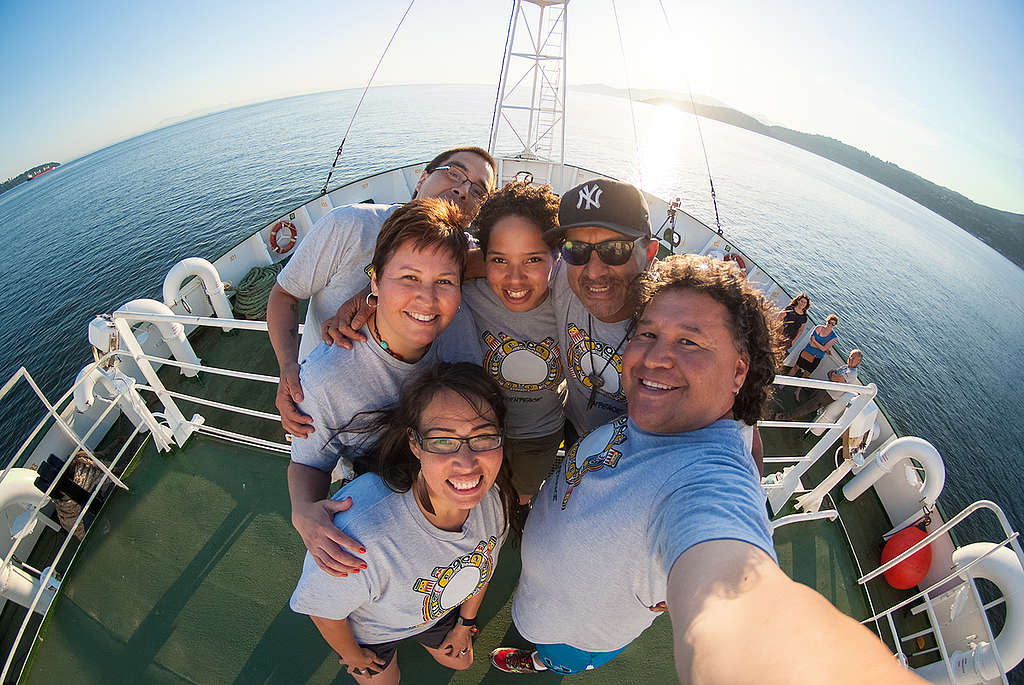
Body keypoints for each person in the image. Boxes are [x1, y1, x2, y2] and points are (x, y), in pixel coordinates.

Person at [490, 255, 923, 685]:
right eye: (648, 333)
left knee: (559, 661)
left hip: (574, 635)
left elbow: (730, 575)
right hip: (543, 595)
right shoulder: (703, 416)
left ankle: (541, 664)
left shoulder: (708, 480)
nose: (655, 358)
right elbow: (747, 429)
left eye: (690, 342)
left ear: (738, 371)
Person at [290, 362, 523, 683]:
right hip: (375, 630)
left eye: (483, 437)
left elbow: (482, 565)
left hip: (433, 612)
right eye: (443, 440)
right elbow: (323, 609)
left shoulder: (494, 500)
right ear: (415, 444)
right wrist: (352, 654)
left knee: (462, 663)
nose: (467, 463)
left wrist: (464, 624)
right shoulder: (359, 534)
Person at [288, 198, 481, 577]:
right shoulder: (328, 377)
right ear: (374, 280)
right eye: (408, 277)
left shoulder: (460, 329)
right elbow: (309, 461)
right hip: (381, 497)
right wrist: (303, 511)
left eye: (444, 282)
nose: (427, 298)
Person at [268, 146, 497, 437]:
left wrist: (371, 296)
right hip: (324, 409)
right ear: (421, 179)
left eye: (478, 191)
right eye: (454, 173)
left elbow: (510, 256)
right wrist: (288, 367)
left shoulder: (464, 253)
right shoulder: (350, 226)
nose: (464, 190)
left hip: (405, 424)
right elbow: (284, 295)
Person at [461, 182, 566, 503]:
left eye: (532, 260)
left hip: (540, 433)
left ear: (557, 256)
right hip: (475, 435)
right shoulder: (464, 291)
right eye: (500, 260)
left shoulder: (572, 296)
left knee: (520, 496)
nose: (515, 279)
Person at [545, 179, 659, 437]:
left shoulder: (676, 319)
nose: (594, 272)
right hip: (574, 425)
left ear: (650, 253)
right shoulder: (563, 273)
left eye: (615, 249)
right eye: (576, 249)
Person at [778, 349, 863, 421]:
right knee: (809, 403)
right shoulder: (845, 367)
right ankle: (795, 417)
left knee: (809, 407)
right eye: (850, 356)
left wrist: (834, 375)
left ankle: (783, 417)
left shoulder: (852, 373)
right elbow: (830, 373)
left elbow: (834, 378)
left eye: (853, 357)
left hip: (829, 395)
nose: (850, 358)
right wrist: (834, 375)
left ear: (858, 361)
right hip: (825, 388)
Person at [792, 313, 839, 381]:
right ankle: (783, 384)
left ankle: (797, 391)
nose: (830, 325)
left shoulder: (834, 337)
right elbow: (812, 344)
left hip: (817, 357)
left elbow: (823, 348)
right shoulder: (819, 328)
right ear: (827, 321)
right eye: (829, 322)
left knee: (806, 374)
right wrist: (822, 347)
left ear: (835, 325)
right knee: (796, 367)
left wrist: (816, 342)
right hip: (807, 351)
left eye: (833, 324)